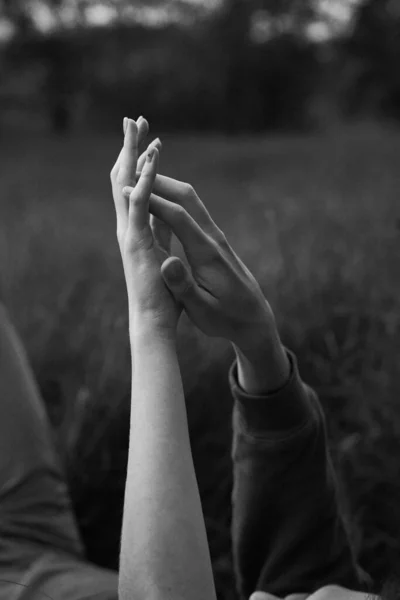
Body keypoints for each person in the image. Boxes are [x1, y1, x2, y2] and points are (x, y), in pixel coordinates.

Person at [0, 116, 376, 600]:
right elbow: (301, 571)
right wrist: (259, 348)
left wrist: (153, 324)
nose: (329, 593)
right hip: (38, 546)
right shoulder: (320, 590)